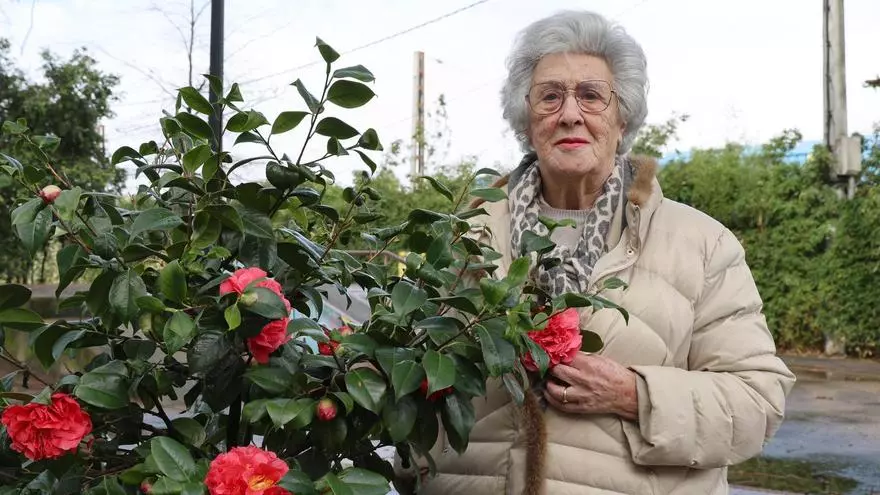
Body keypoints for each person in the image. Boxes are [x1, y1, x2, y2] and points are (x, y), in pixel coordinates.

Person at [394, 9, 796, 495]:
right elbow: (410, 388)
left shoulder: (702, 244)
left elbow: (757, 403)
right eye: (550, 96)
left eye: (591, 95)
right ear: (527, 120)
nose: (569, 113)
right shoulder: (463, 239)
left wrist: (635, 395)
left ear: (622, 118)